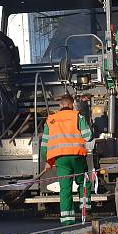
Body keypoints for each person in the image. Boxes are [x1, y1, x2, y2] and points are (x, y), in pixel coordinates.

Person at [41, 94, 93, 225]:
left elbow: (44, 144)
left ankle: (67, 220)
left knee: (65, 188)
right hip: (77, 157)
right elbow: (88, 136)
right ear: (72, 104)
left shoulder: (51, 119)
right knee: (83, 183)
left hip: (60, 159)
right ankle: (85, 212)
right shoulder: (78, 116)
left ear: (60, 105)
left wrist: (47, 161)